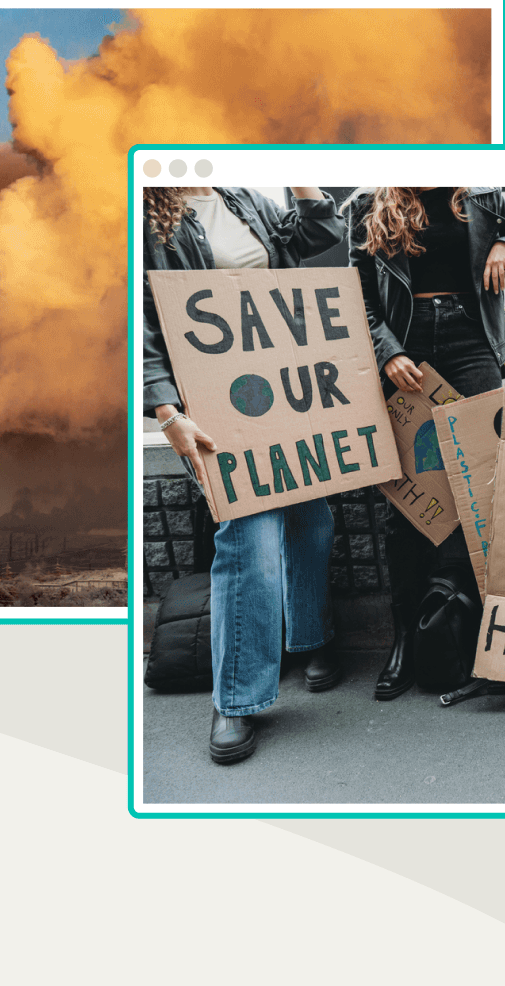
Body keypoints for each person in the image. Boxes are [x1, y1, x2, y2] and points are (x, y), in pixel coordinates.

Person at [141, 185, 344, 765]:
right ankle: (236, 698)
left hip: (284, 384)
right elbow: (142, 318)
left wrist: (304, 179)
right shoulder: (147, 215)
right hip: (211, 397)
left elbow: (320, 235)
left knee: (312, 516)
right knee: (247, 539)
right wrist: (166, 410)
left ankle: (311, 641)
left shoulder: (243, 200)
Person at [345, 186, 505, 700]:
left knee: (491, 485)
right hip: (405, 350)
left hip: (471, 341)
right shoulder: (368, 203)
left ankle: (494, 635)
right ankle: (406, 639)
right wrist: (387, 351)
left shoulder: (482, 194)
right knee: (404, 500)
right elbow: (356, 295)